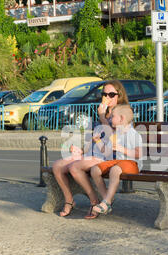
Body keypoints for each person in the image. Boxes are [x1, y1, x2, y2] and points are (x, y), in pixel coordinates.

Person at [51, 80, 129, 217]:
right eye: (105, 94)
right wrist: (81, 150)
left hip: (110, 156)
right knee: (57, 166)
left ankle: (94, 201)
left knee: (74, 167)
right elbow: (93, 137)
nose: (107, 97)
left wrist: (101, 116)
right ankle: (69, 200)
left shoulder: (123, 113)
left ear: (119, 95)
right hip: (93, 154)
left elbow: (114, 138)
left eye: (111, 94)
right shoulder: (103, 113)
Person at [86, 104, 143, 219]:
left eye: (113, 116)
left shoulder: (133, 134)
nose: (110, 119)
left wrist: (122, 149)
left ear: (121, 118)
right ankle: (106, 201)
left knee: (115, 169)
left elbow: (138, 154)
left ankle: (106, 202)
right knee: (95, 169)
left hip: (132, 164)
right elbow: (106, 152)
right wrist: (98, 141)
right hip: (116, 162)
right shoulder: (115, 134)